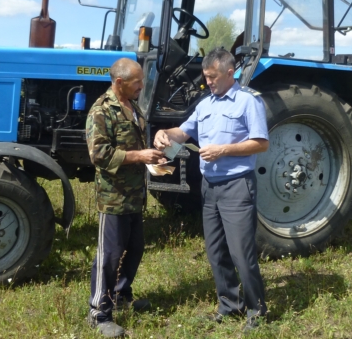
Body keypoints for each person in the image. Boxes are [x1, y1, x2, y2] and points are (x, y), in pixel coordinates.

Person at [153, 48, 269, 332]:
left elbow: (261, 143)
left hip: (237, 186)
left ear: (230, 73)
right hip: (210, 187)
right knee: (215, 251)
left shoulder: (247, 102)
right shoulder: (205, 104)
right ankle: (230, 305)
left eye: (213, 77)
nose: (208, 82)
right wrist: (166, 134)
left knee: (241, 253)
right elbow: (185, 132)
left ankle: (258, 311)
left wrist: (224, 150)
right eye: (206, 77)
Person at [86, 58, 166, 338]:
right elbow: (99, 155)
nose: (142, 86)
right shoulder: (101, 111)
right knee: (109, 256)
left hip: (135, 195)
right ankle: (99, 312)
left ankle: (121, 296)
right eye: (137, 82)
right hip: (114, 197)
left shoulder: (133, 105)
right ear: (119, 82)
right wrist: (139, 156)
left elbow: (136, 143)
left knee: (135, 249)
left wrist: (153, 151)